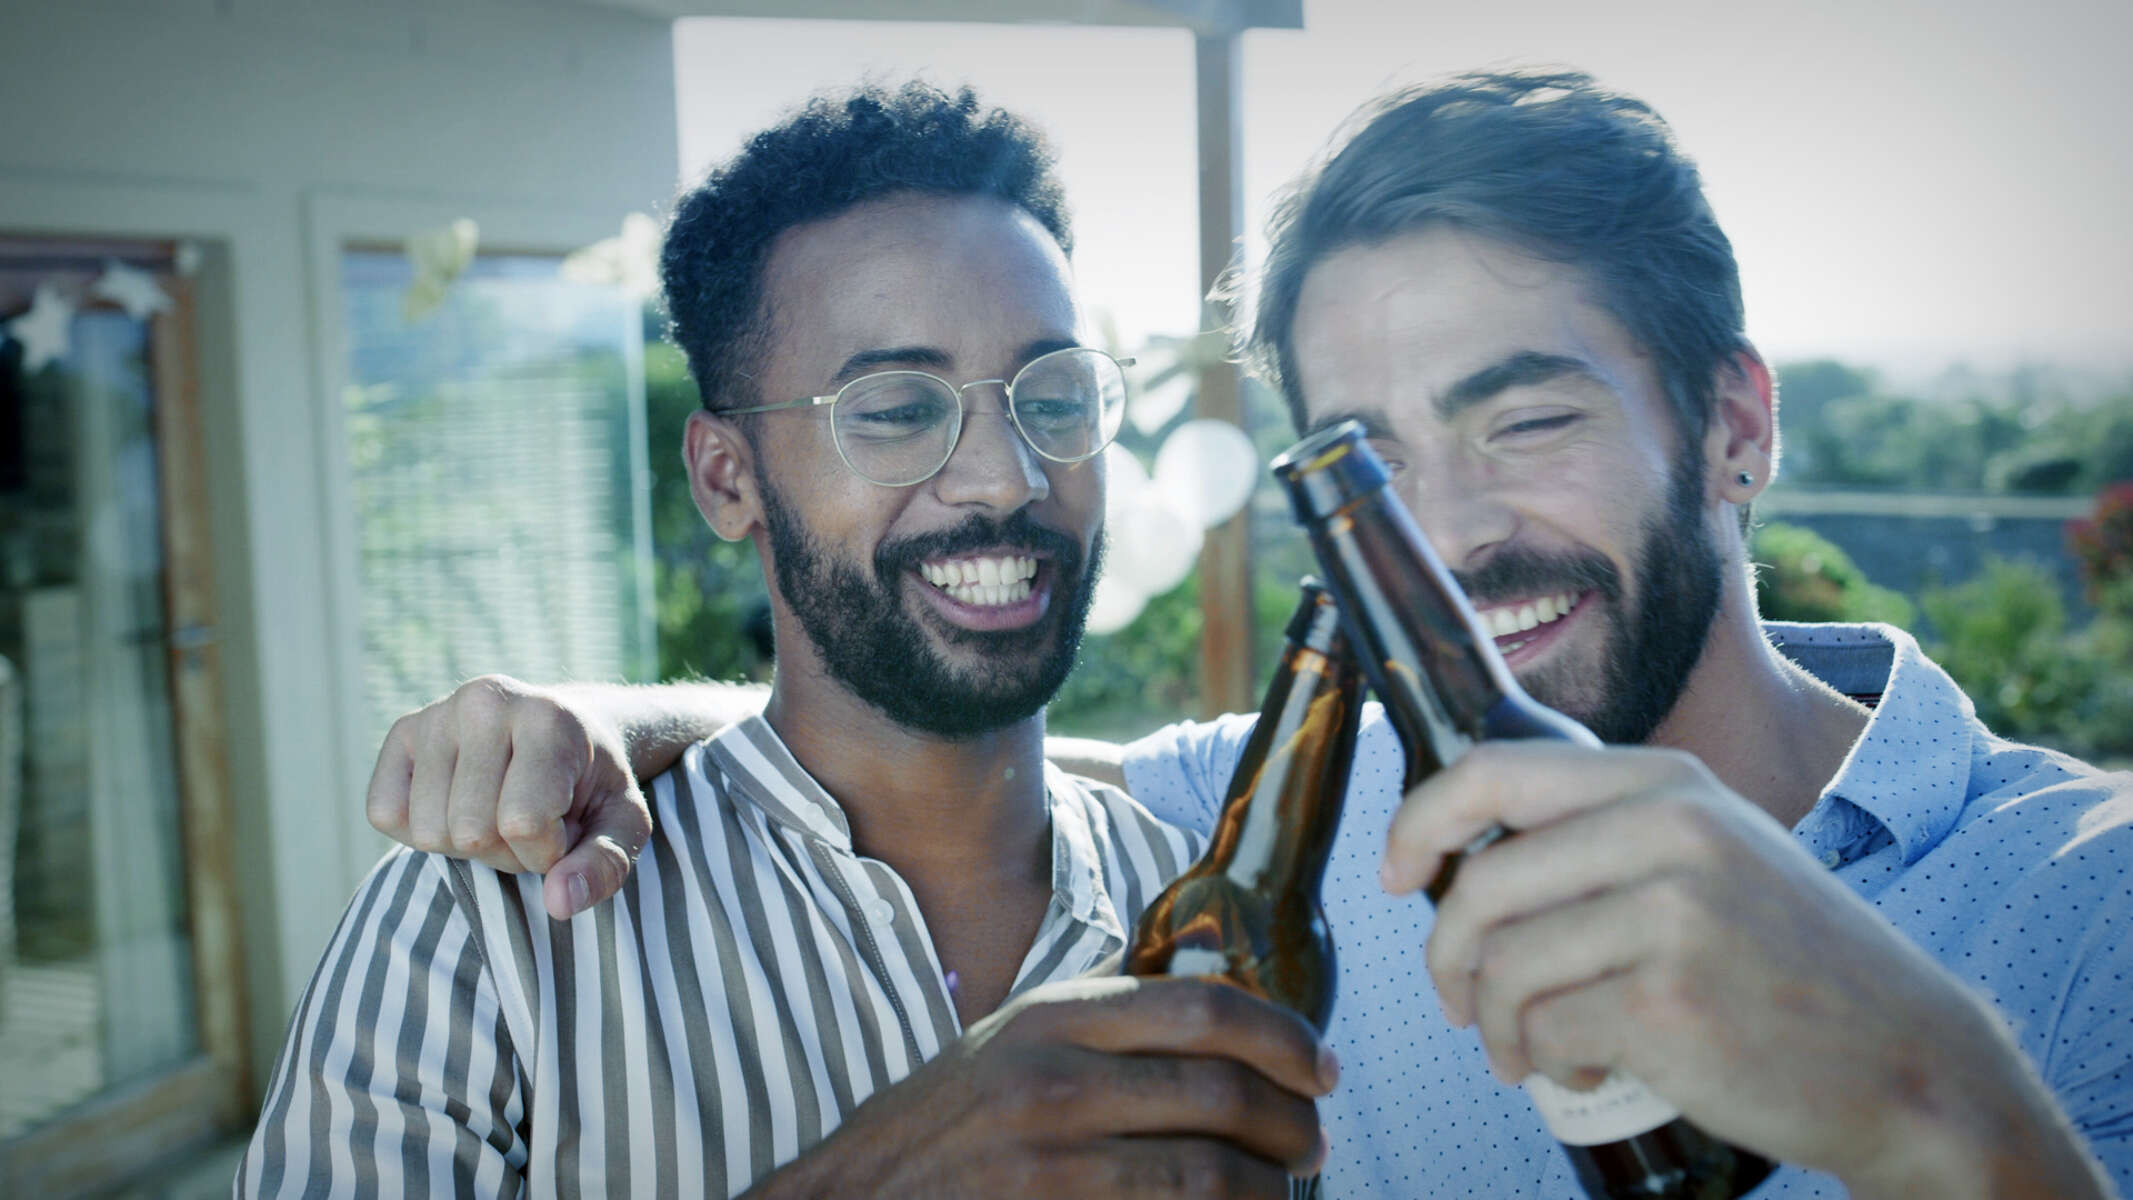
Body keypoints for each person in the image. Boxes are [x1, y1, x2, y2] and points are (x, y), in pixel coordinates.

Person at [370, 71, 2133, 1196]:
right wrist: (592, 726)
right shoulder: (1279, 817)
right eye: (1367, 461)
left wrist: (1941, 1102)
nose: (1440, 546)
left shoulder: (2087, 904)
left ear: (1734, 428)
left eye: (1525, 421)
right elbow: (937, 740)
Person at [241, 82, 1339, 1199]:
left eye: (1052, 396)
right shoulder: (486, 923)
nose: (1008, 475)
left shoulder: (1205, 900)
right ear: (728, 478)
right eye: (898, 410)